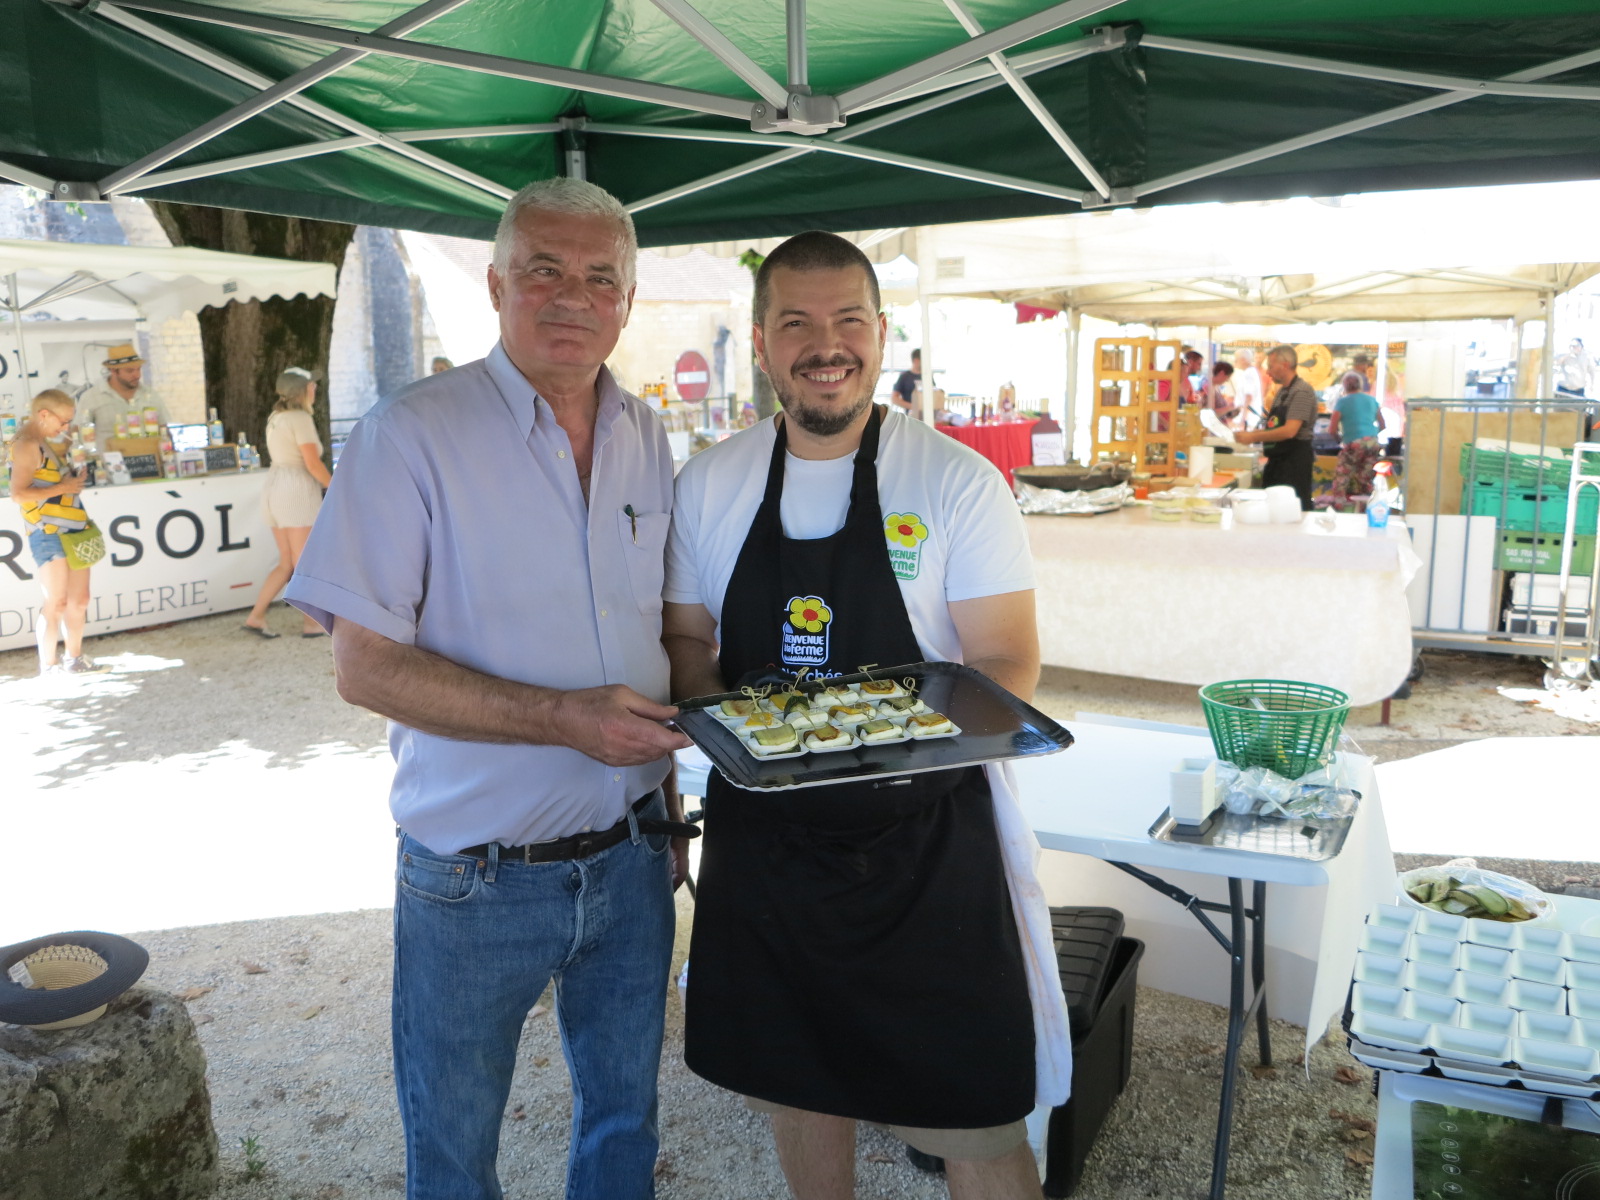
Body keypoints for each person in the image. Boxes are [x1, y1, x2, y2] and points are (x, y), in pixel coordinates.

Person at [284, 177, 696, 1200]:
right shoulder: (409, 432)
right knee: (455, 1148)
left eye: (600, 276)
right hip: (474, 878)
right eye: (544, 270)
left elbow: (676, 632)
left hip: (636, 858)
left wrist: (736, 725)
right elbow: (363, 665)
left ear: (628, 299)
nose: (572, 295)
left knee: (621, 1128)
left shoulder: (649, 436)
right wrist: (562, 720)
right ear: (497, 285)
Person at [662, 231, 1071, 1200]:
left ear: (881, 336)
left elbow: (1008, 660)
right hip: (768, 851)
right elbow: (685, 637)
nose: (825, 344)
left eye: (848, 320)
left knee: (973, 1119)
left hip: (925, 850)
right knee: (799, 1092)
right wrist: (724, 720)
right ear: (761, 342)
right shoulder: (710, 484)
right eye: (796, 322)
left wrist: (888, 733)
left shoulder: (956, 482)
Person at [6, 389, 108, 675]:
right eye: (63, 422)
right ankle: (49, 665)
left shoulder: (40, 442)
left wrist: (68, 482)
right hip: (47, 530)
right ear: (43, 415)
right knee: (57, 601)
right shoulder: (27, 444)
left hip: (72, 528)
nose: (65, 428)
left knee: (79, 600)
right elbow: (18, 494)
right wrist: (64, 487)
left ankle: (74, 659)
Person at [241, 367, 332, 639]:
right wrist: (335, 487)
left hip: (275, 486)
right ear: (302, 390)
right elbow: (312, 463)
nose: (315, 389)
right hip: (296, 491)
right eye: (311, 385)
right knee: (304, 563)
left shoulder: (276, 417)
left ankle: (256, 616)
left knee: (287, 562)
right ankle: (311, 623)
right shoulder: (300, 418)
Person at [1235, 344, 1318, 509]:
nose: (1267, 372)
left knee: (1291, 512)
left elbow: (1289, 431)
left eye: (1271, 366)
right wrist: (1251, 433)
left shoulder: (1302, 392)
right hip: (1278, 461)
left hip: (1294, 462)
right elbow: (1273, 427)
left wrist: (1253, 437)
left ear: (1285, 365)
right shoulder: (1282, 392)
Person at [78, 343, 169, 440]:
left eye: (138, 369)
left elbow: (165, 427)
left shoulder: (151, 394)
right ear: (114, 371)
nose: (137, 375)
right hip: (110, 453)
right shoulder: (91, 397)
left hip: (149, 453)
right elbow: (79, 430)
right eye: (129, 371)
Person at [1327, 371, 1384, 504]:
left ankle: (1339, 507)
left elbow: (1332, 429)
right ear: (1361, 385)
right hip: (1372, 442)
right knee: (1365, 478)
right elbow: (1383, 424)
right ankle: (1368, 506)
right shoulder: (1371, 400)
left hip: (1354, 443)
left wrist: (1340, 440)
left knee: (1342, 476)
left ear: (1344, 386)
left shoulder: (1342, 402)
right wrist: (1371, 435)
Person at [1232, 347, 1266, 428]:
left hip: (1249, 419)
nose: (1235, 362)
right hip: (1250, 418)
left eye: (1236, 360)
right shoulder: (1251, 372)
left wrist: (1243, 419)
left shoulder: (1249, 373)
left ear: (1243, 360)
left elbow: (1249, 397)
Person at [891, 348, 921, 416]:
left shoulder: (927, 377)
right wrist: (913, 407)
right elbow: (894, 398)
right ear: (916, 360)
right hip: (912, 414)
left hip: (929, 413)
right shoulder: (904, 377)